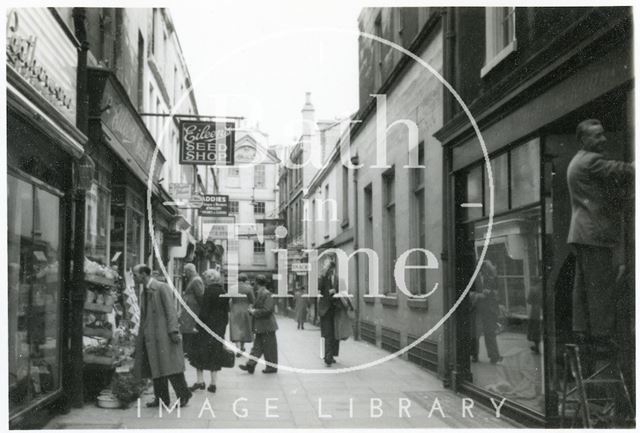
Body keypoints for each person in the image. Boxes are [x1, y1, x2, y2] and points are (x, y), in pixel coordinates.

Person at [567, 119, 634, 346]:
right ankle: (603, 334)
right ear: (584, 140)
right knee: (600, 285)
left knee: (584, 286)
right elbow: (619, 169)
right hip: (593, 232)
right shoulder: (591, 160)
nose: (603, 139)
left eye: (603, 134)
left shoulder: (577, 161)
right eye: (597, 136)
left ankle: (583, 329)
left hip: (582, 232)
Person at [132, 264, 191, 408]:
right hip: (151, 335)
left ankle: (184, 395)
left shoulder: (161, 287)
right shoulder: (144, 292)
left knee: (171, 367)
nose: (134, 277)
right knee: (156, 367)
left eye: (135, 275)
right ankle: (161, 399)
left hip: (164, 334)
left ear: (144, 275)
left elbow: (171, 310)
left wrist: (173, 331)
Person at [187, 268, 230, 393]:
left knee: (198, 353)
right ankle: (213, 383)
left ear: (210, 278)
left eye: (206, 278)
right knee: (215, 353)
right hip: (219, 327)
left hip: (207, 328)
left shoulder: (209, 291)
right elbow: (226, 312)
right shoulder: (223, 291)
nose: (204, 280)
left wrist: (197, 326)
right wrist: (223, 327)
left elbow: (204, 312)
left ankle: (200, 381)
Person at [239, 275, 278, 374]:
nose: (254, 284)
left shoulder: (266, 293)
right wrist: (253, 308)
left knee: (269, 348)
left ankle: (271, 367)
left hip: (267, 326)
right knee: (257, 347)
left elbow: (268, 310)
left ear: (257, 283)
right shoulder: (260, 293)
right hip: (262, 326)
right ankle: (250, 365)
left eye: (255, 282)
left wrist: (254, 311)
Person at [469, 260, 502, 364]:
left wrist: (490, 292)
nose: (484, 270)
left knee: (490, 333)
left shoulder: (491, 279)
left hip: (488, 310)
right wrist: (478, 295)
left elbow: (497, 294)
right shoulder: (473, 278)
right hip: (477, 309)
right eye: (481, 267)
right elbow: (468, 293)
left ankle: (494, 356)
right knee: (476, 334)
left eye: (485, 268)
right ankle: (474, 355)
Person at [318, 258, 341, 366]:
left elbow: (342, 290)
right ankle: (328, 357)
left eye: (330, 268)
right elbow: (318, 288)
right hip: (325, 310)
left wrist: (336, 292)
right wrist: (328, 292)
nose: (329, 270)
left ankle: (331, 356)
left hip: (335, 309)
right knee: (328, 334)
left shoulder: (337, 279)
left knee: (335, 335)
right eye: (327, 267)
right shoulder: (322, 278)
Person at [179, 263, 204, 357]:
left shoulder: (196, 280)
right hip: (190, 308)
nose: (185, 274)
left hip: (193, 309)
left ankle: (189, 351)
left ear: (190, 271)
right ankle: (187, 350)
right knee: (187, 328)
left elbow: (200, 296)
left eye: (186, 271)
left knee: (189, 329)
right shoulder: (193, 280)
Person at [229, 273, 255, 357]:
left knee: (236, 329)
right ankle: (242, 347)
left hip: (235, 309)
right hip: (245, 309)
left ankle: (238, 348)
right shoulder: (249, 288)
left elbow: (230, 299)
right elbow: (252, 300)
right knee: (244, 329)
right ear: (246, 279)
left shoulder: (232, 288)